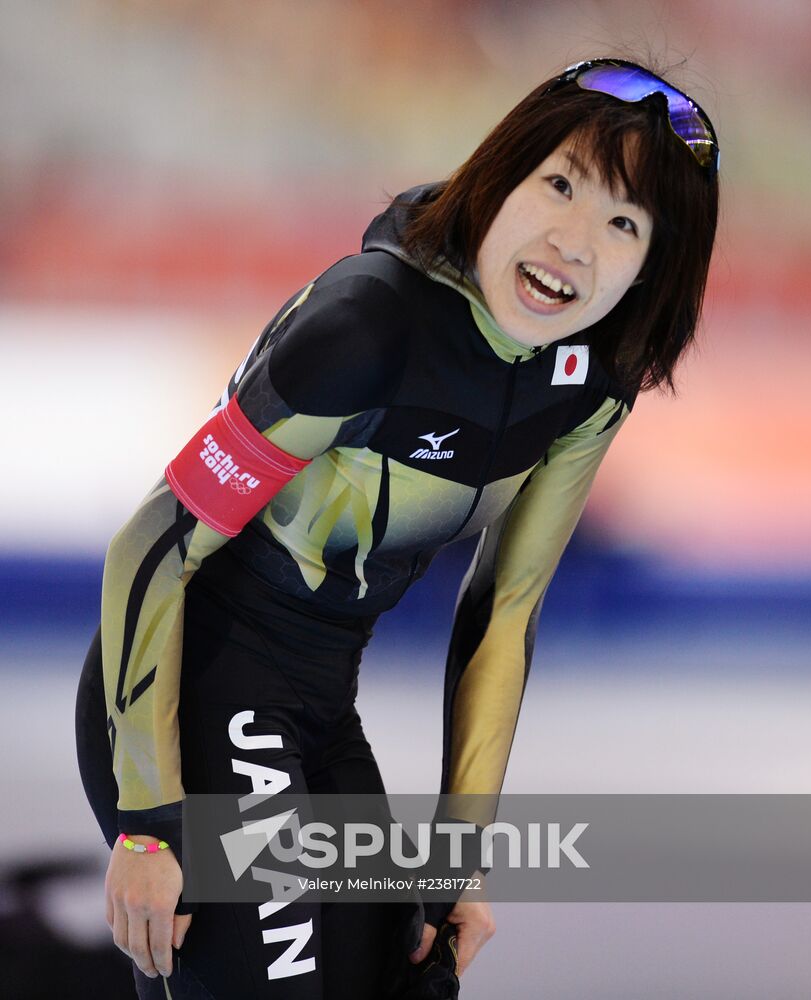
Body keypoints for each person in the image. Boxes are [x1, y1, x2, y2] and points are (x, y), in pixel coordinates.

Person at [76, 58, 720, 999]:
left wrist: (460, 856)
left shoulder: (593, 379)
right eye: (560, 184)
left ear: (654, 265)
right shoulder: (367, 324)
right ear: (499, 175)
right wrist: (151, 819)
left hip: (318, 705)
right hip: (188, 688)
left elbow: (506, 611)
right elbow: (154, 545)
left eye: (624, 223)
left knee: (412, 980)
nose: (573, 243)